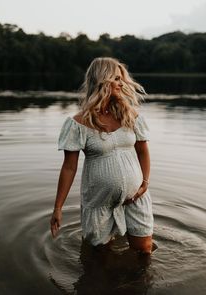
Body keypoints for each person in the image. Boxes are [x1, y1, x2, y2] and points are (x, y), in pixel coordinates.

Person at [50, 57, 154, 254]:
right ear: (101, 80)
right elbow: (69, 167)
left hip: (136, 197)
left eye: (122, 78)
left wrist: (145, 184)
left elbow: (143, 151)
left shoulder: (130, 116)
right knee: (99, 259)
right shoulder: (78, 123)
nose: (121, 83)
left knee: (144, 250)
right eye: (116, 78)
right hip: (99, 202)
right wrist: (58, 207)